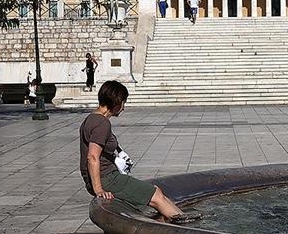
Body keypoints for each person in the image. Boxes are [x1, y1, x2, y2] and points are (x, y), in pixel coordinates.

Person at [79, 81, 201, 223]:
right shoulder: (102, 123)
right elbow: (92, 157)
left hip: (106, 177)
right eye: (123, 102)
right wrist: (99, 189)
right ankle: (189, 227)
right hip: (107, 179)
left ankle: (181, 217)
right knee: (156, 196)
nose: (123, 108)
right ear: (116, 101)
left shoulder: (91, 119)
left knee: (155, 191)